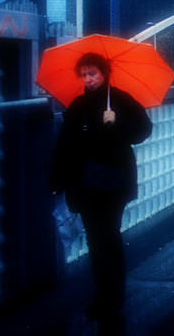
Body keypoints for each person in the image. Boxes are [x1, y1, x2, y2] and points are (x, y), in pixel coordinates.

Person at [49, 53, 152, 327]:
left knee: (109, 238)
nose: (88, 80)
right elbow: (65, 146)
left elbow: (143, 131)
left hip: (114, 183)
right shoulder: (78, 105)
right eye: (83, 75)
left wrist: (116, 123)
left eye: (92, 74)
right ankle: (102, 296)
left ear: (104, 73)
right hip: (84, 185)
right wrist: (56, 182)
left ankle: (113, 299)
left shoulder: (121, 100)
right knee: (95, 241)